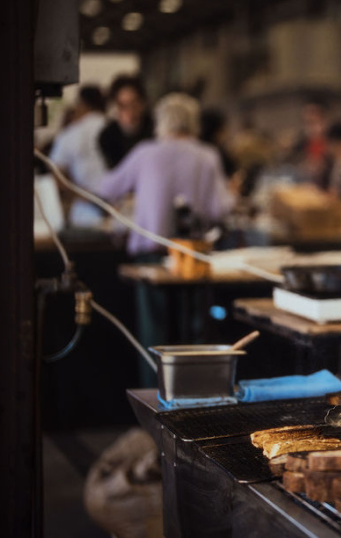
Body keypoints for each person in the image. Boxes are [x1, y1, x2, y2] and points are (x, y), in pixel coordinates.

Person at [99, 93, 234, 385]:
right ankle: (197, 404)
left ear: (162, 121)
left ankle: (154, 403)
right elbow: (220, 208)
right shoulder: (207, 154)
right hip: (192, 257)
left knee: (154, 334)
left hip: (151, 256)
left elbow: (107, 188)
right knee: (195, 333)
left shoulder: (145, 152)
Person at [48, 85, 109, 227]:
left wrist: (91, 200)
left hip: (84, 215)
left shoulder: (70, 134)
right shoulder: (116, 128)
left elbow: (58, 181)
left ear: (82, 104)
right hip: (121, 214)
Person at [98, 75, 154, 170]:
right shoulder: (107, 136)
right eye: (122, 106)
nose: (129, 111)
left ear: (143, 104)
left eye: (134, 104)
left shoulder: (155, 129)